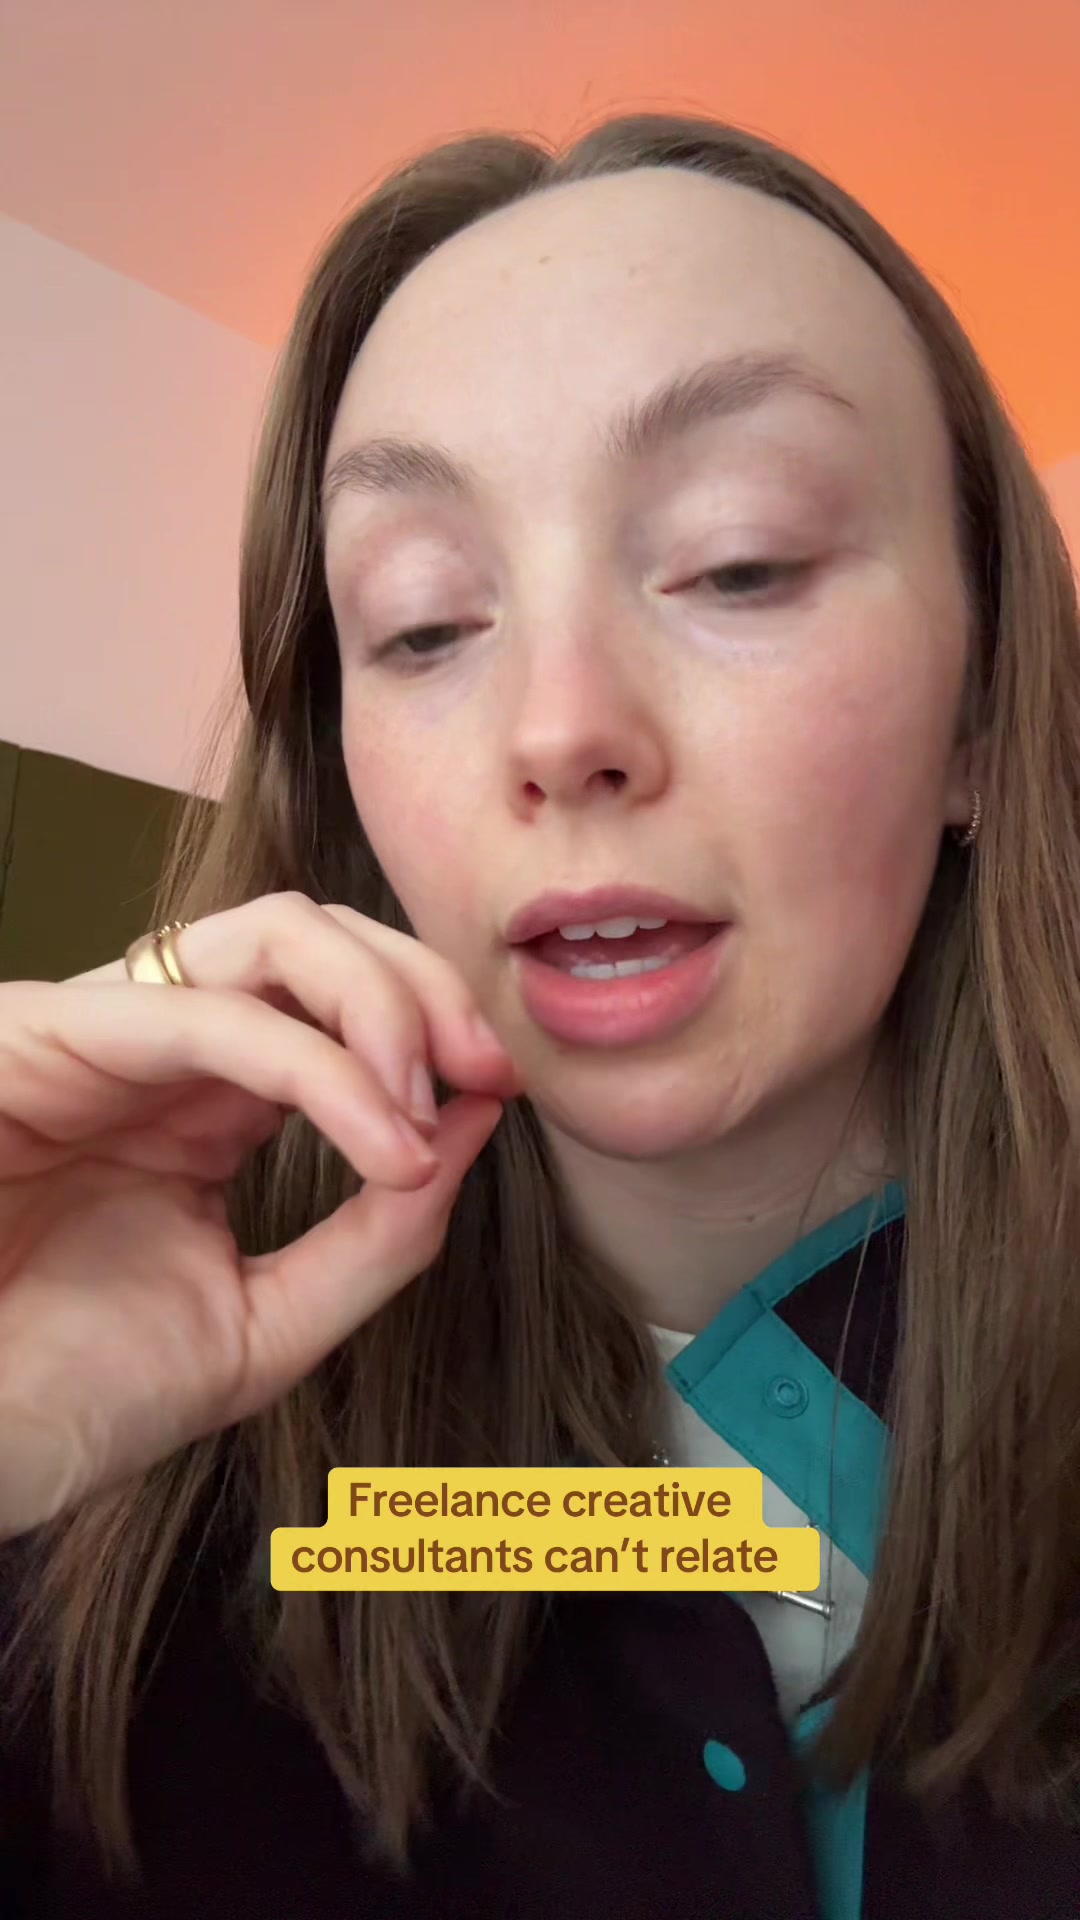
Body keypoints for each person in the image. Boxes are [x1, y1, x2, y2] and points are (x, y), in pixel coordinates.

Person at [0, 110, 1077, 1920]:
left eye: (740, 561)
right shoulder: (126, 1494)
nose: (560, 727)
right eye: (426, 624)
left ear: (981, 712)